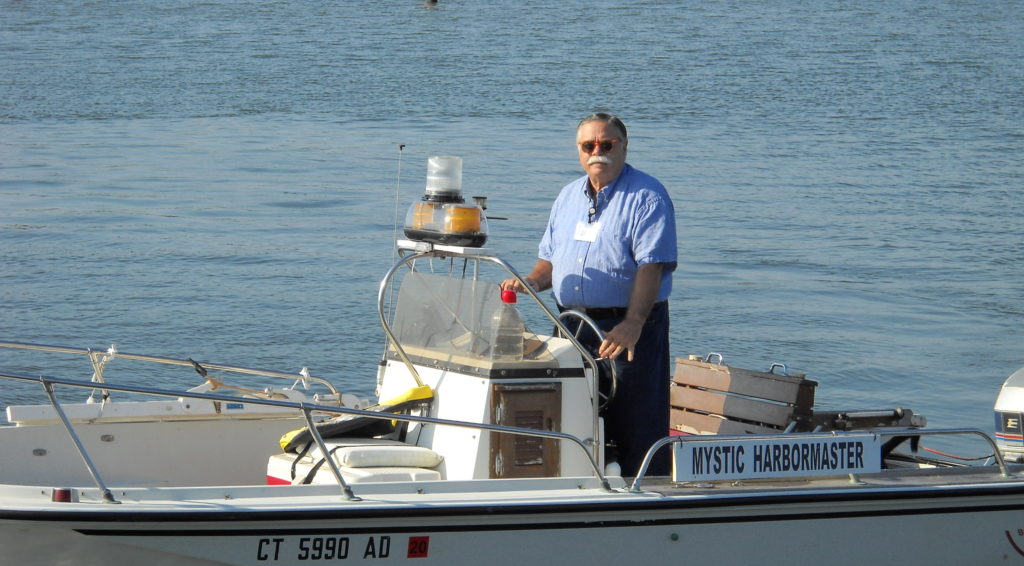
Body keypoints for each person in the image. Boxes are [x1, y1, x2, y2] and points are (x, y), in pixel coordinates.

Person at [501, 112, 677, 476]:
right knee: (574, 415)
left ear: (624, 147)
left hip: (626, 328)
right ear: (578, 150)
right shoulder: (567, 197)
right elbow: (549, 260)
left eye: (607, 144)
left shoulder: (648, 196)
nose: (598, 151)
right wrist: (530, 282)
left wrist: (632, 324)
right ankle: (581, 487)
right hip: (571, 326)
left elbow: (652, 266)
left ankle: (645, 494)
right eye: (589, 145)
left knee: (635, 422)